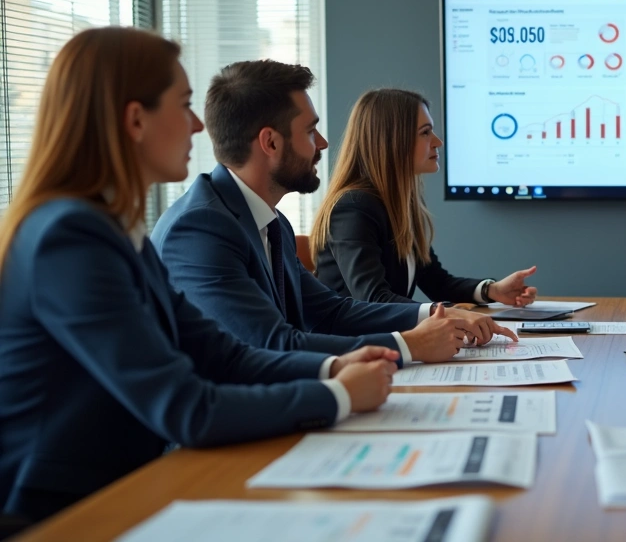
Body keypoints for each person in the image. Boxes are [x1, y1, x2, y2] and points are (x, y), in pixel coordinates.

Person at [0, 28, 397, 522]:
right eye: (184, 104)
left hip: (131, 491)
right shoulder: (69, 238)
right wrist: (337, 395)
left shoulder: (115, 227)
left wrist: (331, 368)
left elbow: (220, 354)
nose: (195, 126)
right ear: (135, 119)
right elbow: (184, 405)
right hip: (66, 514)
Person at [151, 61, 515, 364]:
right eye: (311, 131)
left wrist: (435, 315)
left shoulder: (271, 221)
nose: (323, 143)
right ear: (271, 142)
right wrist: (410, 345)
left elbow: (332, 311)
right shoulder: (200, 228)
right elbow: (273, 343)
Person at [310, 88, 538, 307]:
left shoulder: (399, 204)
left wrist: (491, 290)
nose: (438, 142)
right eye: (425, 132)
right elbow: (374, 299)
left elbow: (437, 283)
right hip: (352, 345)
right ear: (392, 140)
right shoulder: (354, 208)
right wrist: (445, 317)